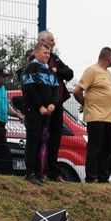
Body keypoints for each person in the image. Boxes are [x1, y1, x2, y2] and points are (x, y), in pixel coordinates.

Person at [18, 35, 72, 184]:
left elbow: (55, 88)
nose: (47, 55)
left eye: (49, 53)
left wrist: (53, 104)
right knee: (33, 140)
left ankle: (40, 172)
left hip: (47, 112)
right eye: (44, 53)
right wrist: (40, 106)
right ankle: (30, 172)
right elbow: (29, 88)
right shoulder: (31, 67)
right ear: (36, 53)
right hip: (34, 111)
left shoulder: (49, 70)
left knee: (43, 142)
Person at [75, 47, 111, 184]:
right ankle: (90, 177)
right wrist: (85, 103)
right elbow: (77, 91)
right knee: (95, 147)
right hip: (96, 116)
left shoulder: (108, 74)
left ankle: (102, 177)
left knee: (106, 149)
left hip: (109, 118)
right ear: (108, 57)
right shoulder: (92, 71)